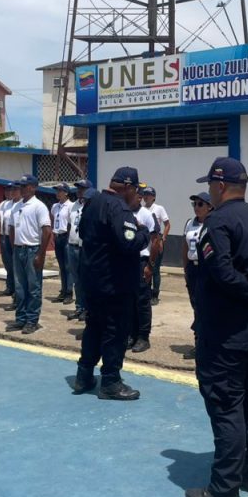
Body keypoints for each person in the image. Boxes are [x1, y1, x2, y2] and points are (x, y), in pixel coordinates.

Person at [185, 157, 248, 497]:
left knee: (226, 406)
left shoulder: (217, 222)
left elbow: (221, 271)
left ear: (220, 186)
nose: (209, 192)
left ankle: (224, 489)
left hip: (226, 332)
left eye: (210, 185)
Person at [73, 166, 150, 400]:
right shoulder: (119, 208)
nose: (136, 195)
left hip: (92, 281)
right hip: (114, 284)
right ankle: (111, 382)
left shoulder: (92, 203)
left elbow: (83, 233)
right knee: (115, 332)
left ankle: (83, 375)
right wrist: (144, 232)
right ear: (127, 187)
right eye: (135, 190)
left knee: (94, 328)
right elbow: (129, 242)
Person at [9, 174, 52, 333]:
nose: (21, 189)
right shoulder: (16, 206)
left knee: (33, 287)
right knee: (19, 287)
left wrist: (41, 254)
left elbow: (47, 231)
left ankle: (32, 320)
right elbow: (11, 228)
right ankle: (21, 319)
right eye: (20, 186)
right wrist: (14, 246)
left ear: (33, 187)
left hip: (32, 249)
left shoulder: (39, 206)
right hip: (19, 249)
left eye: (24, 186)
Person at [128, 194, 161, 353]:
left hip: (142, 261)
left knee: (142, 301)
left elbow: (155, 241)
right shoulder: (125, 213)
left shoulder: (147, 215)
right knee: (129, 300)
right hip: (127, 261)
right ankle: (131, 334)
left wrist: (150, 265)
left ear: (139, 197)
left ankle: (143, 337)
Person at [65, 179, 92, 321]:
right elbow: (70, 225)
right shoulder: (73, 205)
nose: (79, 191)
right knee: (76, 279)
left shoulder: (90, 204)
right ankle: (79, 307)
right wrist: (68, 240)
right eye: (78, 188)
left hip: (84, 248)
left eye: (82, 188)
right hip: (72, 246)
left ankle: (87, 308)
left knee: (85, 279)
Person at [182, 192, 213, 310]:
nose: (196, 207)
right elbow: (185, 246)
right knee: (194, 300)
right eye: (194, 204)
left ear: (209, 206)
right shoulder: (190, 223)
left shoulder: (213, 223)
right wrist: (186, 268)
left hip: (206, 267)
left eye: (200, 204)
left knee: (206, 301)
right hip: (192, 267)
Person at [141, 186, 170, 304]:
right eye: (144, 194)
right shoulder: (141, 209)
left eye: (148, 194)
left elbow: (167, 224)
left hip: (156, 240)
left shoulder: (159, 209)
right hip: (145, 242)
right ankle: (147, 292)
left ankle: (155, 295)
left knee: (155, 268)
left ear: (153, 197)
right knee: (146, 267)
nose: (146, 197)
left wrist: (163, 238)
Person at [50, 183, 72, 303]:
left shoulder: (70, 206)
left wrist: (68, 237)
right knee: (61, 266)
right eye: (57, 191)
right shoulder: (55, 206)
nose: (57, 193)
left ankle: (69, 292)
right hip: (57, 236)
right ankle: (63, 290)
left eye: (60, 191)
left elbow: (70, 223)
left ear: (66, 193)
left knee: (68, 266)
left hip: (66, 237)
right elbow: (53, 220)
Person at [0, 182, 20, 297]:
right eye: (6, 190)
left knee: (15, 264)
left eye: (11, 190)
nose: (9, 192)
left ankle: (17, 288)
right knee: (7, 263)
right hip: (4, 236)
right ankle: (9, 286)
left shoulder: (19, 205)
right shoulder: (3, 205)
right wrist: (0, 236)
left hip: (16, 238)